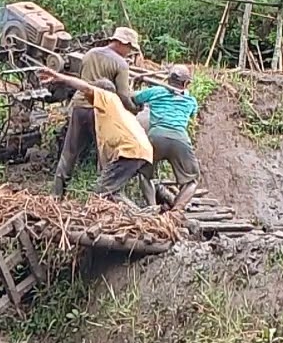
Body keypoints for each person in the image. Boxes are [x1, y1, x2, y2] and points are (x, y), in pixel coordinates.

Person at [38, 68, 155, 206]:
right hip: (140, 151)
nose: (87, 96)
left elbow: (86, 87)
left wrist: (60, 77)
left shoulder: (107, 98)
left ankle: (139, 214)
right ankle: (145, 211)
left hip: (130, 152)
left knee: (101, 193)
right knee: (111, 192)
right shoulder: (112, 110)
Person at [51, 27, 142, 198]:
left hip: (79, 106)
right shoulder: (121, 64)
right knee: (104, 154)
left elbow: (83, 81)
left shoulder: (90, 54)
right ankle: (104, 196)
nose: (129, 52)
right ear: (122, 43)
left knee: (69, 151)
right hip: (101, 110)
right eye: (129, 48)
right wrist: (134, 109)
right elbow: (123, 94)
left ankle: (57, 194)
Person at [133, 65, 200, 211]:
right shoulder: (190, 100)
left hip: (155, 137)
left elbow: (134, 98)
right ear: (185, 83)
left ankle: (152, 208)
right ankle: (176, 212)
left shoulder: (155, 91)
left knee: (144, 174)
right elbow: (192, 114)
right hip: (180, 140)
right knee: (192, 180)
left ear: (168, 79)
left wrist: (137, 84)